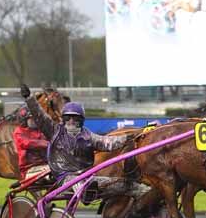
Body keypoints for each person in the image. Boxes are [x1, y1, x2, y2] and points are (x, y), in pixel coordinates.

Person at [20, 84, 149, 199]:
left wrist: (139, 134)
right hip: (64, 178)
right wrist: (29, 98)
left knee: (127, 185)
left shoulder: (88, 135)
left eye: (75, 119)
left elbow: (110, 142)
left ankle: (148, 193)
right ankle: (84, 191)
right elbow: (39, 115)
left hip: (87, 178)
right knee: (80, 183)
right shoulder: (54, 130)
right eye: (68, 118)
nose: (71, 122)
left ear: (81, 120)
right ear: (63, 119)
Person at [12, 107, 50, 179]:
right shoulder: (19, 132)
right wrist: (47, 144)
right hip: (29, 168)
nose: (35, 120)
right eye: (31, 119)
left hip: (45, 164)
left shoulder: (38, 130)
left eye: (35, 118)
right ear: (24, 120)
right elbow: (27, 143)